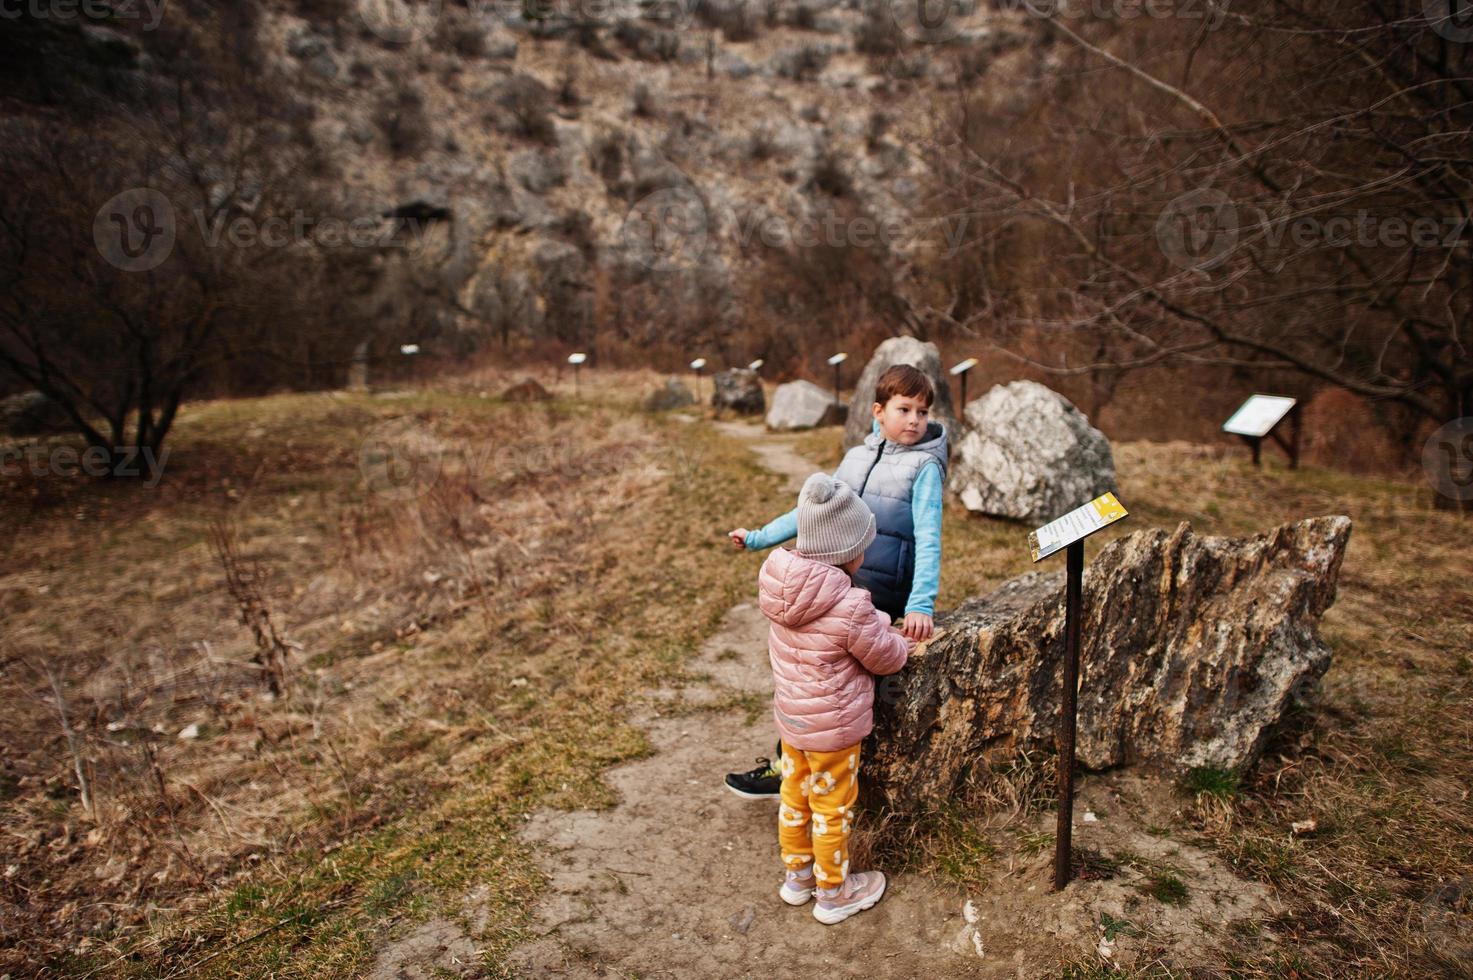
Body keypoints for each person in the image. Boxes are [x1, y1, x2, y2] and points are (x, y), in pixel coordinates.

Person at [724, 364, 948, 799]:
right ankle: (791, 767)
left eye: (922, 412)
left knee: (837, 680)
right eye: (905, 409)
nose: (915, 420)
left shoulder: (924, 467)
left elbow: (929, 537)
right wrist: (757, 538)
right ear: (879, 411)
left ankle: (807, 774)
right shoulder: (858, 457)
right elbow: (811, 514)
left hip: (885, 589)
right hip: (839, 581)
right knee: (808, 672)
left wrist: (920, 605)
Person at [758, 472, 913, 923]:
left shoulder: (785, 589)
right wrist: (899, 639)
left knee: (795, 796)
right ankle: (834, 893)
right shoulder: (849, 605)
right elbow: (886, 658)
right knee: (831, 807)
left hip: (793, 721)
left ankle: (798, 877)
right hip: (834, 732)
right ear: (848, 552)